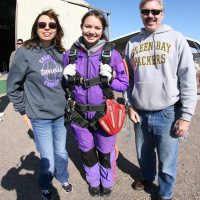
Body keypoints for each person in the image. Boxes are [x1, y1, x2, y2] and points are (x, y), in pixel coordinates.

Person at [125, 0, 197, 199]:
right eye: (146, 11)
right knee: (143, 154)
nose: (150, 15)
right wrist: (129, 105)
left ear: (162, 13)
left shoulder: (176, 39)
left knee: (167, 161)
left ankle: (166, 194)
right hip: (139, 112)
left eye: (155, 11)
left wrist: (186, 116)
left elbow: (188, 78)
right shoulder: (132, 43)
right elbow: (128, 80)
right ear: (141, 13)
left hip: (167, 112)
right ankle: (148, 177)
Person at [7, 9, 72, 200]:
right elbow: (12, 86)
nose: (47, 28)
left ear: (57, 29)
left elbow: (67, 83)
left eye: (52, 25)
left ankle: (63, 177)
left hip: (60, 115)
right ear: (36, 28)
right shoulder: (25, 52)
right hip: (40, 117)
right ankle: (45, 183)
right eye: (42, 24)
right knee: (48, 158)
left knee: (61, 151)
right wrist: (23, 112)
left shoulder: (62, 53)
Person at [63, 9, 128, 197]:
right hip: (79, 114)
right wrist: (66, 78)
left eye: (97, 28)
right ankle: (93, 181)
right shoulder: (70, 54)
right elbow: (65, 86)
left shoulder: (112, 54)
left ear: (102, 30)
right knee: (87, 151)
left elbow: (124, 84)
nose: (92, 31)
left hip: (104, 114)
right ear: (82, 26)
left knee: (106, 152)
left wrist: (111, 78)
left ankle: (106, 183)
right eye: (88, 26)